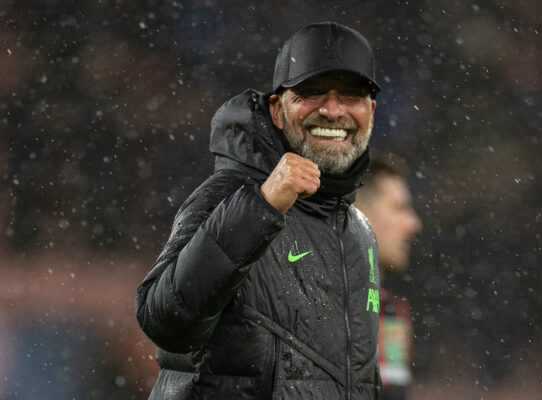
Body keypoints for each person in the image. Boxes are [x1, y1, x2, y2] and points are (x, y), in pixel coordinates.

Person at [136, 22, 384, 399]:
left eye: (351, 95)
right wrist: (261, 206)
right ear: (277, 110)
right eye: (311, 93)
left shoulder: (359, 229)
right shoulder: (228, 194)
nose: (333, 110)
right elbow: (165, 320)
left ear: (370, 110)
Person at [354, 153, 422, 400]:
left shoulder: (392, 313)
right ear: (358, 212)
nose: (413, 224)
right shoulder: (313, 304)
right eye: (399, 208)